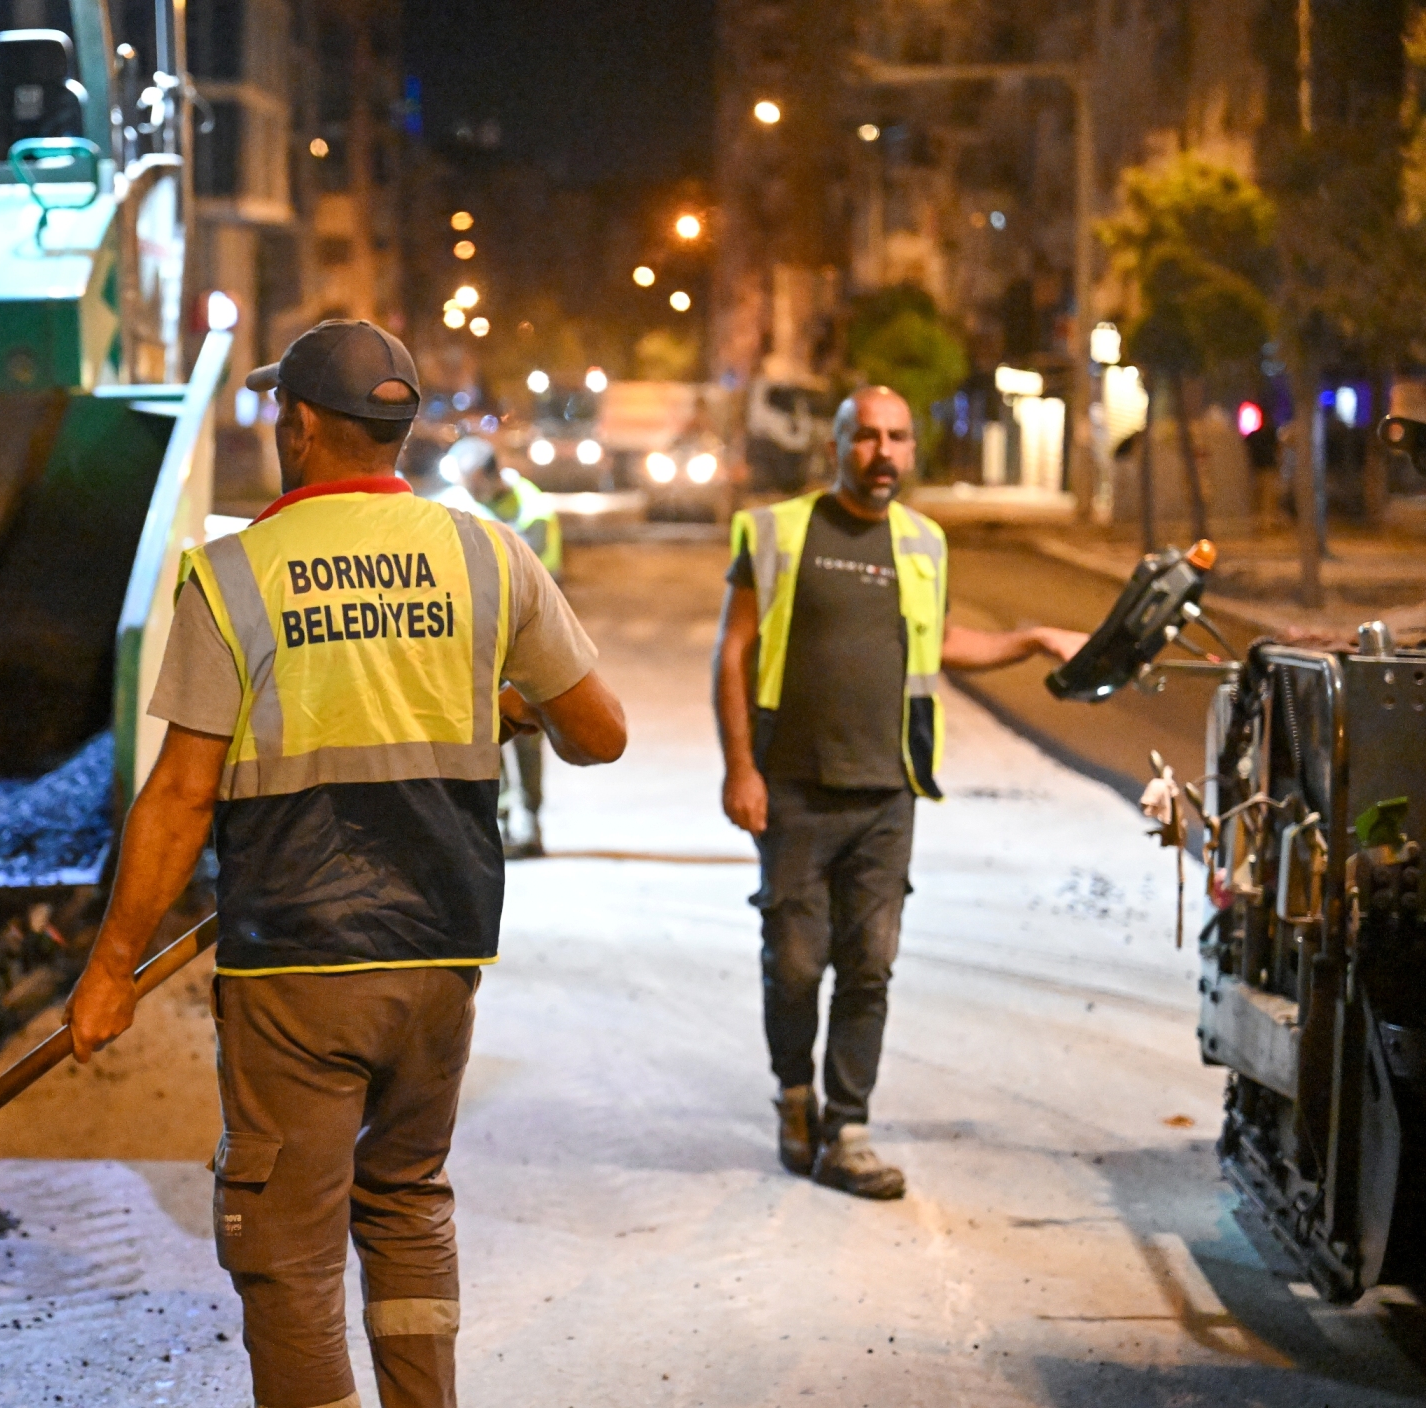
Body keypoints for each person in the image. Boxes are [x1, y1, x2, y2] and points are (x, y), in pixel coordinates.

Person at [66, 319, 626, 1408]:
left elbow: (180, 794)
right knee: (406, 1205)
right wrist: (506, 707)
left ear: (301, 427)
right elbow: (598, 733)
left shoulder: (235, 573)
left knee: (285, 1248)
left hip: (297, 964)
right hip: (439, 958)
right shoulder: (487, 554)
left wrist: (110, 969)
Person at [713, 386, 1086, 1200]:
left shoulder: (923, 541)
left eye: (897, 437)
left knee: (869, 966)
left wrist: (1028, 639)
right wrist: (740, 767)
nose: (882, 452)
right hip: (793, 788)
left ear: (912, 449)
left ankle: (847, 1130)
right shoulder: (776, 531)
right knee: (794, 966)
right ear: (836, 447)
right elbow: (733, 650)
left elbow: (937, 640)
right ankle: (794, 1094)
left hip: (888, 792)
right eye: (865, 437)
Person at [446, 434, 562, 858]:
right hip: (474, 636)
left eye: (469, 479)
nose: (464, 487)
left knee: (527, 729)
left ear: (486, 476)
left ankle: (530, 820)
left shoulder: (534, 511)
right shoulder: (454, 503)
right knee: (483, 728)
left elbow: (540, 578)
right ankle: (496, 821)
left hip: (524, 636)